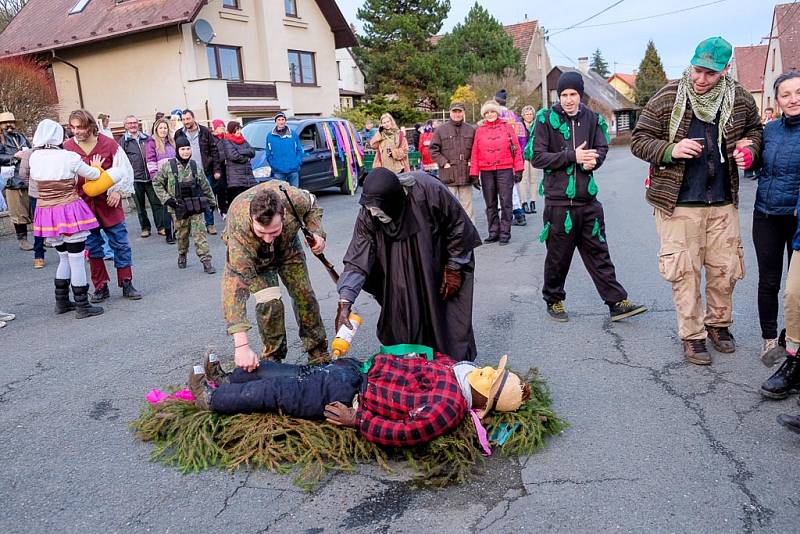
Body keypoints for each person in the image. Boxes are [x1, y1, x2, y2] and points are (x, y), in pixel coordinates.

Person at [630, 36, 762, 365]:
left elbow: (757, 131)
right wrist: (670, 150)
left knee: (724, 270)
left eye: (710, 74)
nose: (701, 80)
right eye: (697, 71)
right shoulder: (667, 97)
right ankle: (692, 335)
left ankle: (718, 325)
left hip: (722, 201)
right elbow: (639, 140)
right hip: (678, 203)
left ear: (725, 71)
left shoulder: (741, 99)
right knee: (684, 271)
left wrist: (750, 150)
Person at [188, 352, 528, 447]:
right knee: (284, 372)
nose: (485, 372)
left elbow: (408, 433)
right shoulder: (457, 370)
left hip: (351, 397)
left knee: (279, 392)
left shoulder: (449, 407)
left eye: (490, 381)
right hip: (355, 372)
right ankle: (227, 379)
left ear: (483, 403)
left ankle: (212, 399)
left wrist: (359, 420)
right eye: (491, 372)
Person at [533, 72, 647, 324]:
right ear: (558, 96)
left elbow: (602, 146)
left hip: (587, 201)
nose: (569, 99)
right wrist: (572, 156)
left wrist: (595, 160)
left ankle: (616, 302)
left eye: (573, 94)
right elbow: (537, 156)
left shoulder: (592, 119)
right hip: (559, 202)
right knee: (558, 255)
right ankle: (554, 299)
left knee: (599, 253)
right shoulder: (545, 119)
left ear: (580, 95)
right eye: (564, 95)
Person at [337, 168, 482, 361]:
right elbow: (358, 256)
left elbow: (458, 225)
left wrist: (454, 265)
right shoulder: (369, 212)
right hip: (397, 274)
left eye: (378, 211)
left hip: (434, 265)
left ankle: (453, 370)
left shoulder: (429, 190)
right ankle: (413, 368)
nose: (373, 213)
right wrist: (345, 300)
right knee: (402, 320)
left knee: (444, 323)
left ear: (393, 201)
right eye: (370, 210)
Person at [222, 183, 330, 368]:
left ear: (284, 215)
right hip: (257, 258)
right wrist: (241, 346)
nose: (267, 238)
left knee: (305, 296)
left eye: (273, 231)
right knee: (269, 304)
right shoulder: (239, 228)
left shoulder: (293, 199)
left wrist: (316, 232)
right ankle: (273, 359)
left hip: (289, 250)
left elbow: (312, 205)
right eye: (261, 232)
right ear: (251, 219)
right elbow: (234, 288)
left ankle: (318, 352)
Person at [29, 118, 108, 319]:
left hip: (46, 212)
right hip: (68, 210)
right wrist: (96, 166)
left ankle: (62, 302)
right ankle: (83, 305)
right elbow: (92, 174)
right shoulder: (68, 157)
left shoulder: (34, 157)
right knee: (76, 258)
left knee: (63, 256)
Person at [754, 72, 800, 400]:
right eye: (786, 95)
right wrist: (747, 156)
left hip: (797, 218)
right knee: (769, 281)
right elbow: (755, 163)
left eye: (798, 92)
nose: (793, 99)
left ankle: (793, 342)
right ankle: (771, 339)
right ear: (777, 101)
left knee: (795, 289)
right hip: (766, 214)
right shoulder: (769, 131)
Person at [64, 109, 141, 303]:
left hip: (108, 202)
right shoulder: (67, 148)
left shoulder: (109, 144)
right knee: (92, 247)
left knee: (120, 243)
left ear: (90, 126)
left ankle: (126, 281)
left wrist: (117, 191)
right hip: (83, 205)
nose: (77, 132)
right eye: (73, 127)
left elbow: (123, 170)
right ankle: (100, 285)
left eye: (80, 127)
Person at [153, 136, 217, 274]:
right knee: (182, 235)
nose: (186, 151)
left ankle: (206, 261)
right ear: (177, 150)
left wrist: (211, 202)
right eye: (183, 149)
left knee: (199, 233)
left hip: (195, 206)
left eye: (188, 148)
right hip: (178, 207)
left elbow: (205, 185)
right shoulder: (168, 166)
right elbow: (157, 183)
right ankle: (182, 254)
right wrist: (167, 199)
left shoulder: (194, 166)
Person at [470, 100, 523, 246]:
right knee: (490, 203)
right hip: (486, 170)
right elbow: (475, 152)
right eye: (486, 112)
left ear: (497, 112)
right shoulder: (480, 130)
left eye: (492, 111)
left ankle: (505, 232)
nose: (490, 115)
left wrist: (519, 168)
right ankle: (493, 231)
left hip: (505, 168)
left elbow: (516, 149)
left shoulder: (507, 128)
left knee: (506, 202)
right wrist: (474, 173)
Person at [174, 109, 221, 235]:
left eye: (188, 119)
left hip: (205, 171)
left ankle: (210, 224)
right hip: (187, 173)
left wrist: (216, 169)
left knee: (207, 198)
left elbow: (214, 151)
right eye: (183, 119)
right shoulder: (179, 133)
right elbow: (177, 153)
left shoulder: (204, 131)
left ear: (193, 118)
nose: (186, 122)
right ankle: (191, 227)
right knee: (188, 200)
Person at [430, 102, 477, 222]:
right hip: (448, 175)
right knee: (448, 207)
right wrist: (444, 163)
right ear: (450, 112)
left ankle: (470, 233)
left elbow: (476, 149)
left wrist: (472, 161)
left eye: (459, 111)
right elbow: (433, 150)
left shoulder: (471, 130)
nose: (457, 114)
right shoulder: (441, 130)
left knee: (468, 207)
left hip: (466, 174)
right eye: (454, 111)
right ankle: (451, 234)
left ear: (463, 113)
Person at [119, 115, 164, 238]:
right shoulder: (123, 142)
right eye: (130, 123)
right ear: (125, 125)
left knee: (156, 204)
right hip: (135, 179)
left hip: (150, 177)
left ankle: (161, 227)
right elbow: (121, 161)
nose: (133, 125)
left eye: (135, 122)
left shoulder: (147, 139)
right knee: (140, 206)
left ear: (138, 124)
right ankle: (145, 228)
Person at [0, 111, 33, 250]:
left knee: (34, 209)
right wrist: (14, 156)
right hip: (12, 180)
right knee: (18, 212)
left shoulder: (21, 137)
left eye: (11, 122)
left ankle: (41, 238)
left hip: (28, 177)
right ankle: (22, 239)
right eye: (5, 123)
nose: (9, 125)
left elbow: (30, 149)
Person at [145, 118, 177, 244]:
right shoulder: (151, 143)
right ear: (156, 129)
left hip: (174, 178)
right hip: (162, 179)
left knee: (176, 205)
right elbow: (151, 162)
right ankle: (168, 233)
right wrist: (156, 178)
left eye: (165, 128)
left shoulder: (172, 142)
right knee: (166, 207)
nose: (163, 130)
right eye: (161, 128)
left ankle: (178, 231)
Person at [16, 147, 46, 268]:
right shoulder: (30, 152)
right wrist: (33, 185)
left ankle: (39, 256)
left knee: (39, 224)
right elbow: (23, 174)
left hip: (53, 192)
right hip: (39, 194)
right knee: (39, 224)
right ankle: (39, 255)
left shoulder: (59, 151)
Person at [264, 111, 303, 188]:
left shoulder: (293, 134)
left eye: (282, 119)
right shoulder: (270, 136)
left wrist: (297, 163)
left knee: (294, 195)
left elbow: (299, 150)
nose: (281, 122)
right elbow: (268, 154)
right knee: (281, 196)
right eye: (279, 120)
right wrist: (274, 165)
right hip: (278, 172)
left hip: (293, 171)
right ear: (275, 121)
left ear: (285, 121)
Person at [221, 121, 256, 203]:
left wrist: (240, 151)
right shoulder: (227, 140)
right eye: (236, 130)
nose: (238, 131)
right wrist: (246, 158)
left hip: (248, 178)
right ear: (231, 130)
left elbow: (252, 152)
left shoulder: (243, 140)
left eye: (239, 129)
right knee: (237, 203)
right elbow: (233, 156)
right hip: (236, 180)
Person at [520, 105, 539, 214]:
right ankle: (524, 202)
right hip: (523, 155)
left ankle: (533, 202)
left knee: (534, 179)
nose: (529, 116)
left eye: (531, 114)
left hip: (534, 155)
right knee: (524, 180)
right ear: (523, 115)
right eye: (527, 114)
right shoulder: (520, 126)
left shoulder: (536, 126)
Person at [210, 119, 229, 217]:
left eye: (223, 127)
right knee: (219, 188)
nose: (222, 128)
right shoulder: (212, 139)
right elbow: (214, 153)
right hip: (217, 166)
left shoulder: (225, 138)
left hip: (227, 166)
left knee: (226, 188)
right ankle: (219, 209)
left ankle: (225, 208)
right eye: (220, 127)